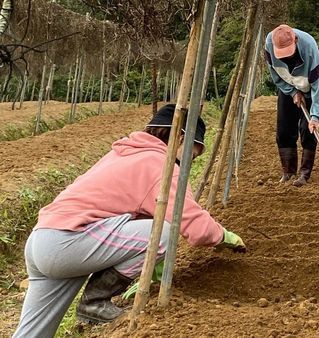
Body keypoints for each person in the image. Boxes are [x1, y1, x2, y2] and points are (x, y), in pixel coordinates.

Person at [13, 104, 246, 338]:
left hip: (43, 239)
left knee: (33, 333)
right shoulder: (161, 165)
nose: (189, 163)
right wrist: (224, 236)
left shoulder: (125, 153)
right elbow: (188, 223)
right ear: (180, 137)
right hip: (68, 242)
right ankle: (95, 301)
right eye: (192, 154)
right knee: (164, 233)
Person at [264, 24, 319, 187]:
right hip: (288, 86)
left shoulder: (309, 48)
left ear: (296, 41)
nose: (285, 58)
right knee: (284, 129)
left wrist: (316, 116)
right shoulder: (269, 44)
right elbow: (275, 74)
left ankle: (304, 174)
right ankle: (288, 173)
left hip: (310, 87)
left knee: (308, 130)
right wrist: (292, 92)